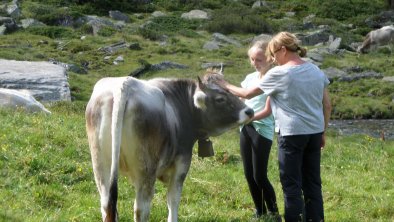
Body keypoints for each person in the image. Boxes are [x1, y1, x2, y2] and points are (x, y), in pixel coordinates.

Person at [220, 32, 332, 221]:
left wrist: (224, 84)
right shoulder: (315, 70)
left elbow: (247, 94)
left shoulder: (280, 73)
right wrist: (323, 131)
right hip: (314, 133)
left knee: (291, 185)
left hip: (291, 135)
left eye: (273, 54)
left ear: (282, 50)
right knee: (313, 183)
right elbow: (327, 105)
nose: (273, 59)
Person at [238, 40, 280, 219]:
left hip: (262, 129)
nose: (255, 63)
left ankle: (274, 212)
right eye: (252, 59)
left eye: (259, 60)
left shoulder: (274, 78)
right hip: (244, 129)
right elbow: (241, 100)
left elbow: (268, 110)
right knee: (249, 174)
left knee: (259, 175)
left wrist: (249, 118)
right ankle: (260, 212)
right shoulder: (249, 78)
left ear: (270, 59)